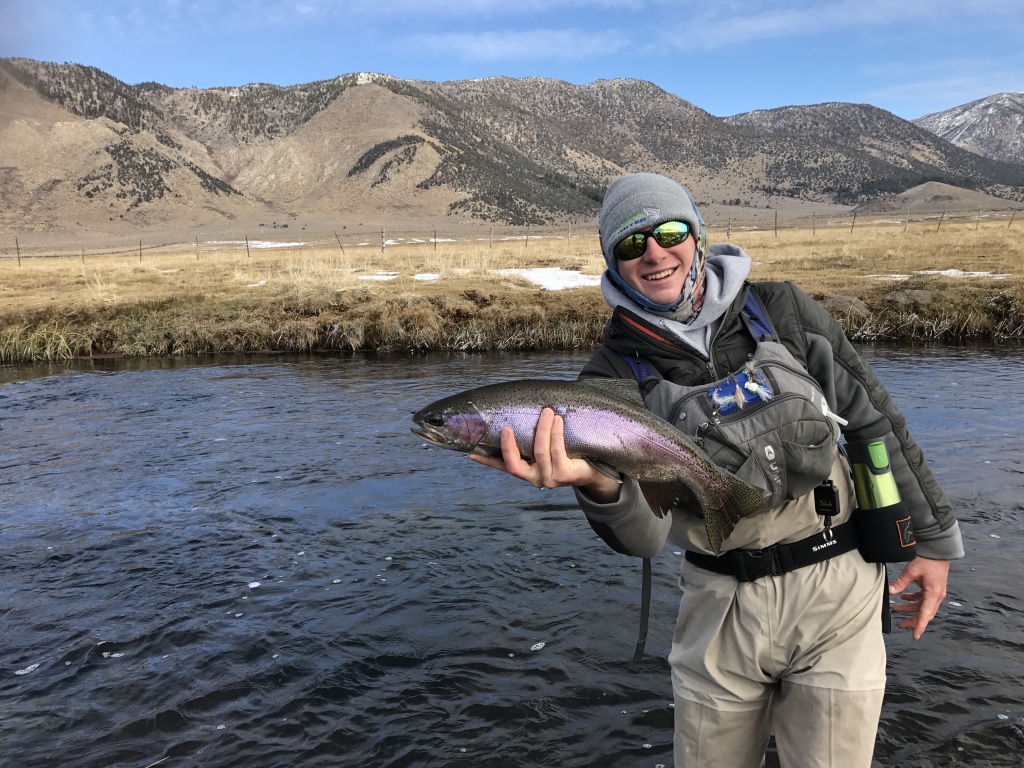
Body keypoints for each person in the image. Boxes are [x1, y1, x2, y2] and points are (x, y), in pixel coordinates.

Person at [469, 172, 964, 768]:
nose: (654, 253)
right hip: (718, 608)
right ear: (613, 262)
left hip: (840, 587)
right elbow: (644, 538)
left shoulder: (784, 310)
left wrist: (933, 542)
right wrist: (597, 485)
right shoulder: (609, 379)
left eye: (669, 231)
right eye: (631, 245)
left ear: (697, 236)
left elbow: (874, 423)